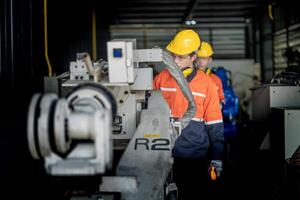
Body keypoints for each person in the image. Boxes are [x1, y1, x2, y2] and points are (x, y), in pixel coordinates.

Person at [153, 29, 224, 200]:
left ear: (193, 57)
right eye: (174, 55)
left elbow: (214, 125)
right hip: (162, 155)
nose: (175, 61)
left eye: (181, 57)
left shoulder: (207, 84)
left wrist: (217, 158)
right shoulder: (161, 78)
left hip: (193, 157)